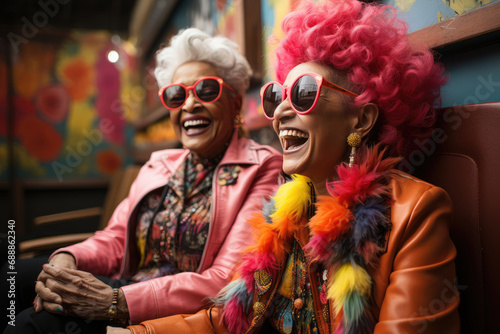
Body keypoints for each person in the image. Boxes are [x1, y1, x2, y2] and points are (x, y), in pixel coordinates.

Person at [110, 0, 460, 333]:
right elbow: (227, 320)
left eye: (304, 94)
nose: (279, 112)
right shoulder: (281, 213)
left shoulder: (415, 214)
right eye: (276, 96)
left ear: (361, 119)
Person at [5, 27, 282, 333]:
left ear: (236, 104)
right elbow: (116, 239)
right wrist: (68, 260)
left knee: (33, 324)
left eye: (206, 90)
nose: (189, 105)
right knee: (14, 277)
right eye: (177, 95)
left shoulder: (263, 167)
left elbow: (226, 279)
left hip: (170, 315)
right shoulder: (160, 165)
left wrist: (116, 302)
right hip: (126, 287)